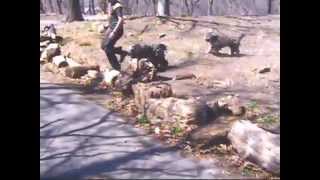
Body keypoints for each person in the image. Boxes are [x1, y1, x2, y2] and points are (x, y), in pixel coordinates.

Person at [101, 0, 125, 71]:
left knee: (107, 48)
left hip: (117, 30)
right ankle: (121, 52)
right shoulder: (110, 4)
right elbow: (112, 19)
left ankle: (116, 68)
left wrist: (114, 32)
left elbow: (120, 20)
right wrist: (106, 26)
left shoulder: (117, 5)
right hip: (111, 28)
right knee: (103, 46)